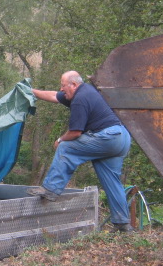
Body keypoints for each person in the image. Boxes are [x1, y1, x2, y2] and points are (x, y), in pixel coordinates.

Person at [28, 71, 133, 232]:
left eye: (63, 85)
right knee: (112, 181)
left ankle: (51, 189)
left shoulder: (79, 99)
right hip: (121, 138)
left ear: (74, 85)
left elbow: (75, 133)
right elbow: (54, 96)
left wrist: (60, 140)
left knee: (66, 147)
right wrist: (32, 92)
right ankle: (122, 224)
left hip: (108, 138)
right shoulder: (84, 91)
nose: (61, 89)